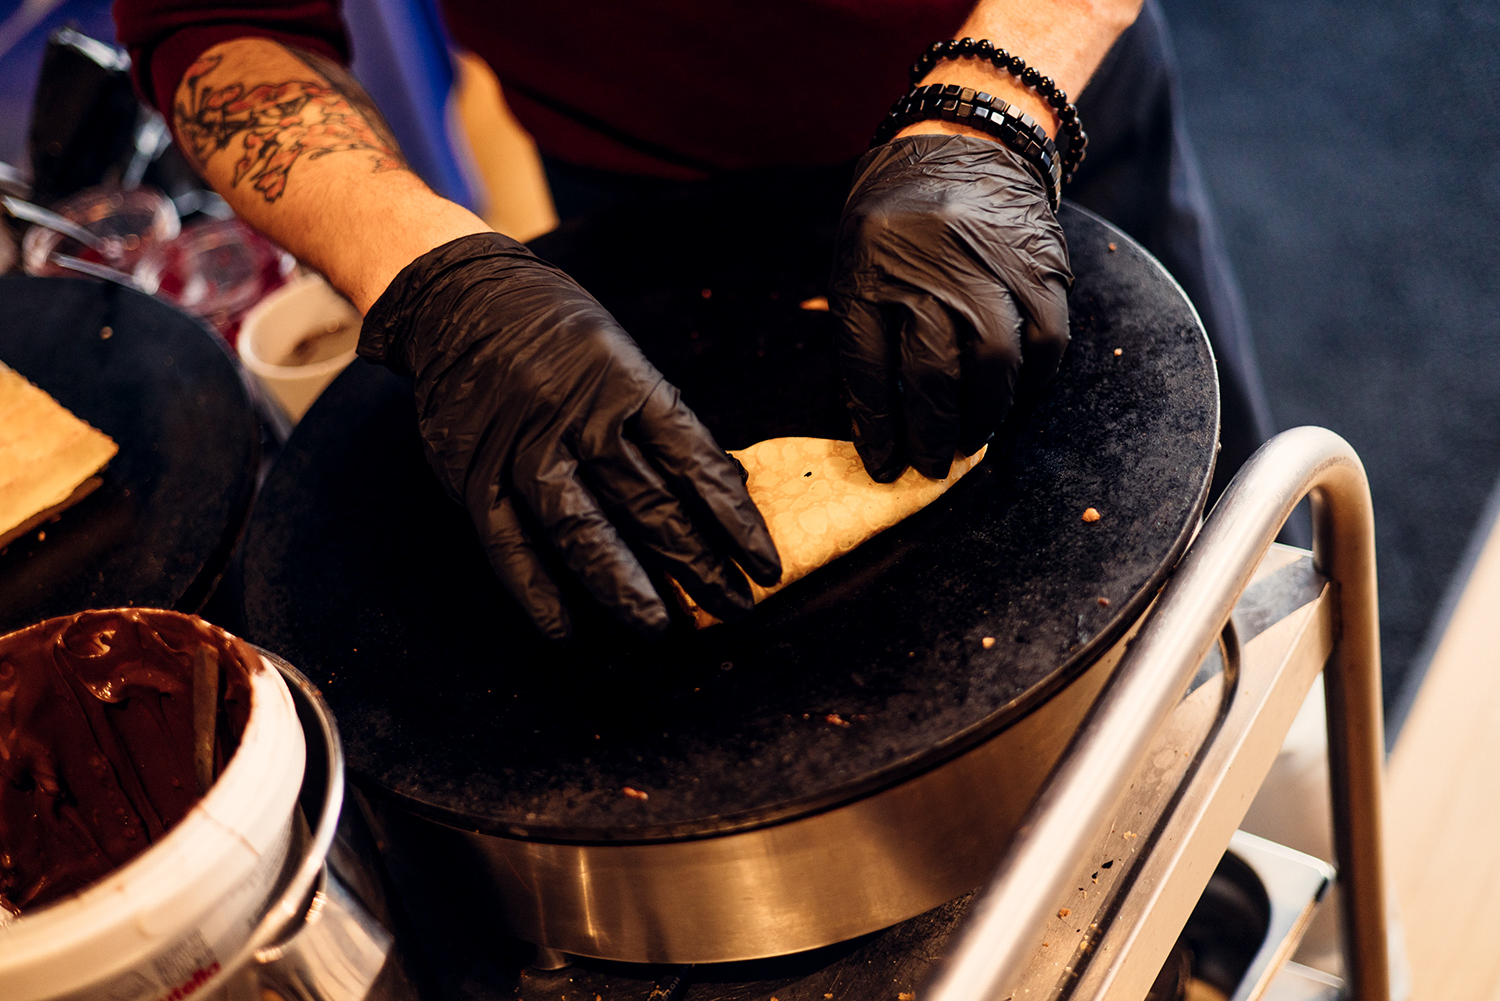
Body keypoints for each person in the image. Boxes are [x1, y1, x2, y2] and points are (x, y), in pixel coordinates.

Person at [113, 0, 1273, 640]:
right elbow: (212, 16)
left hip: (1029, 98)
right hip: (638, 185)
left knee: (1212, 558)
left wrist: (997, 111)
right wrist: (431, 278)